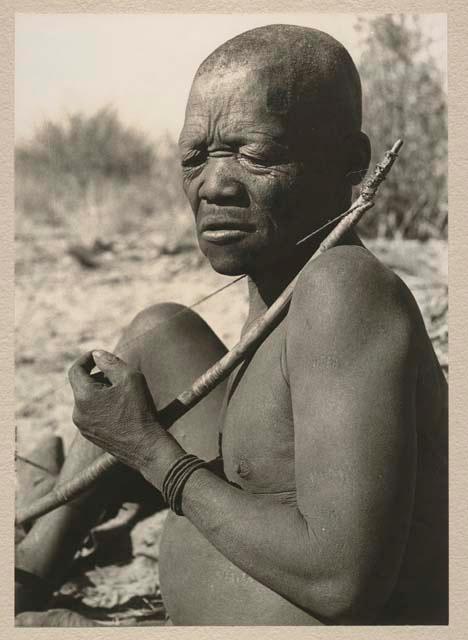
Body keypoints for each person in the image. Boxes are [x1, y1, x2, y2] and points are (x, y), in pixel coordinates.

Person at [15, 24, 448, 626]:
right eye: (194, 157)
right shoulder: (288, 279)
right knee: (160, 333)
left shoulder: (345, 290)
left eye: (256, 155)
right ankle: (31, 571)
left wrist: (149, 452)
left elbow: (340, 581)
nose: (214, 186)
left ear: (352, 162)